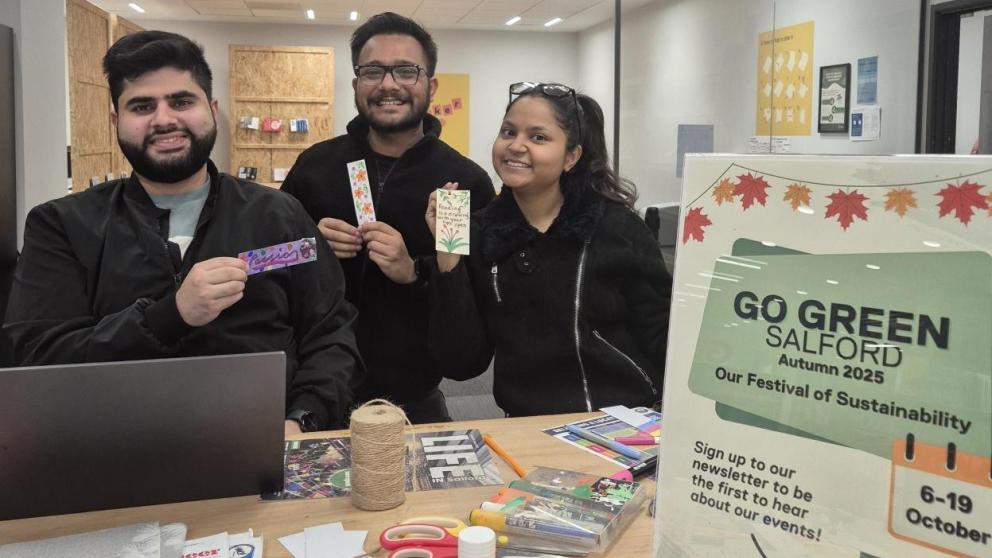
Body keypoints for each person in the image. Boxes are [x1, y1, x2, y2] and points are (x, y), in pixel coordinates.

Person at [3, 31, 363, 435]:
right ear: (115, 120)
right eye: (142, 105)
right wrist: (168, 316)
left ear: (211, 109)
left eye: (181, 101)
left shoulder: (278, 216)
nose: (164, 119)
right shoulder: (63, 227)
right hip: (110, 461)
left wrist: (303, 417)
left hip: (267, 452)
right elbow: (36, 360)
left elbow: (330, 331)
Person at [281, 12, 495, 423]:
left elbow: (472, 302)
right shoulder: (314, 167)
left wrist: (413, 271)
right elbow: (261, 263)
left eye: (405, 71)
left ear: (430, 84)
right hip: (311, 396)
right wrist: (310, 248)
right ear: (356, 84)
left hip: (413, 400)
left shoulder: (461, 182)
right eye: (373, 71)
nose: (388, 84)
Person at [426, 83, 671, 416]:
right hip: (526, 424)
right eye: (508, 132)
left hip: (623, 421)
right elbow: (462, 362)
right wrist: (448, 255)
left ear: (571, 156)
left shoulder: (617, 228)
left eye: (538, 137)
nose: (516, 146)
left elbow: (662, 332)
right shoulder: (480, 231)